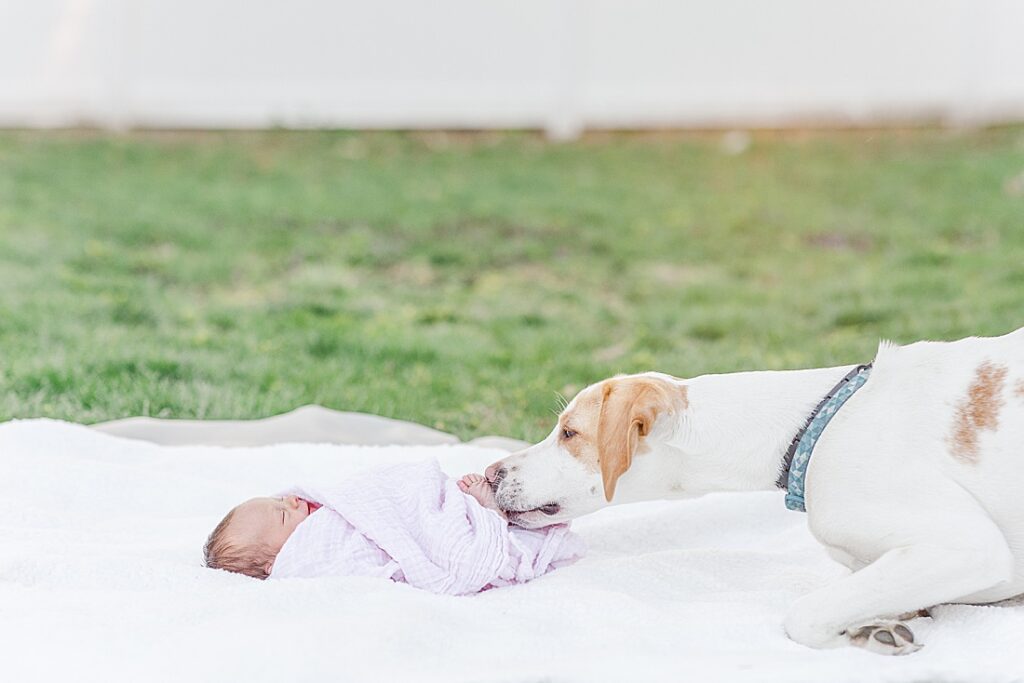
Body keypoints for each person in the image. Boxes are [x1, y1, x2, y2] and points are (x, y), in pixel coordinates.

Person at [203, 459, 584, 595]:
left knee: (429, 510)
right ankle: (487, 518)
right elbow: (373, 547)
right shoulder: (312, 555)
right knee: (452, 552)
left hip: (416, 514)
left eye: (280, 499)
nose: (293, 502)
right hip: (428, 543)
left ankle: (468, 511)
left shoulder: (326, 509)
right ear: (276, 561)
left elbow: (378, 498)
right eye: (284, 515)